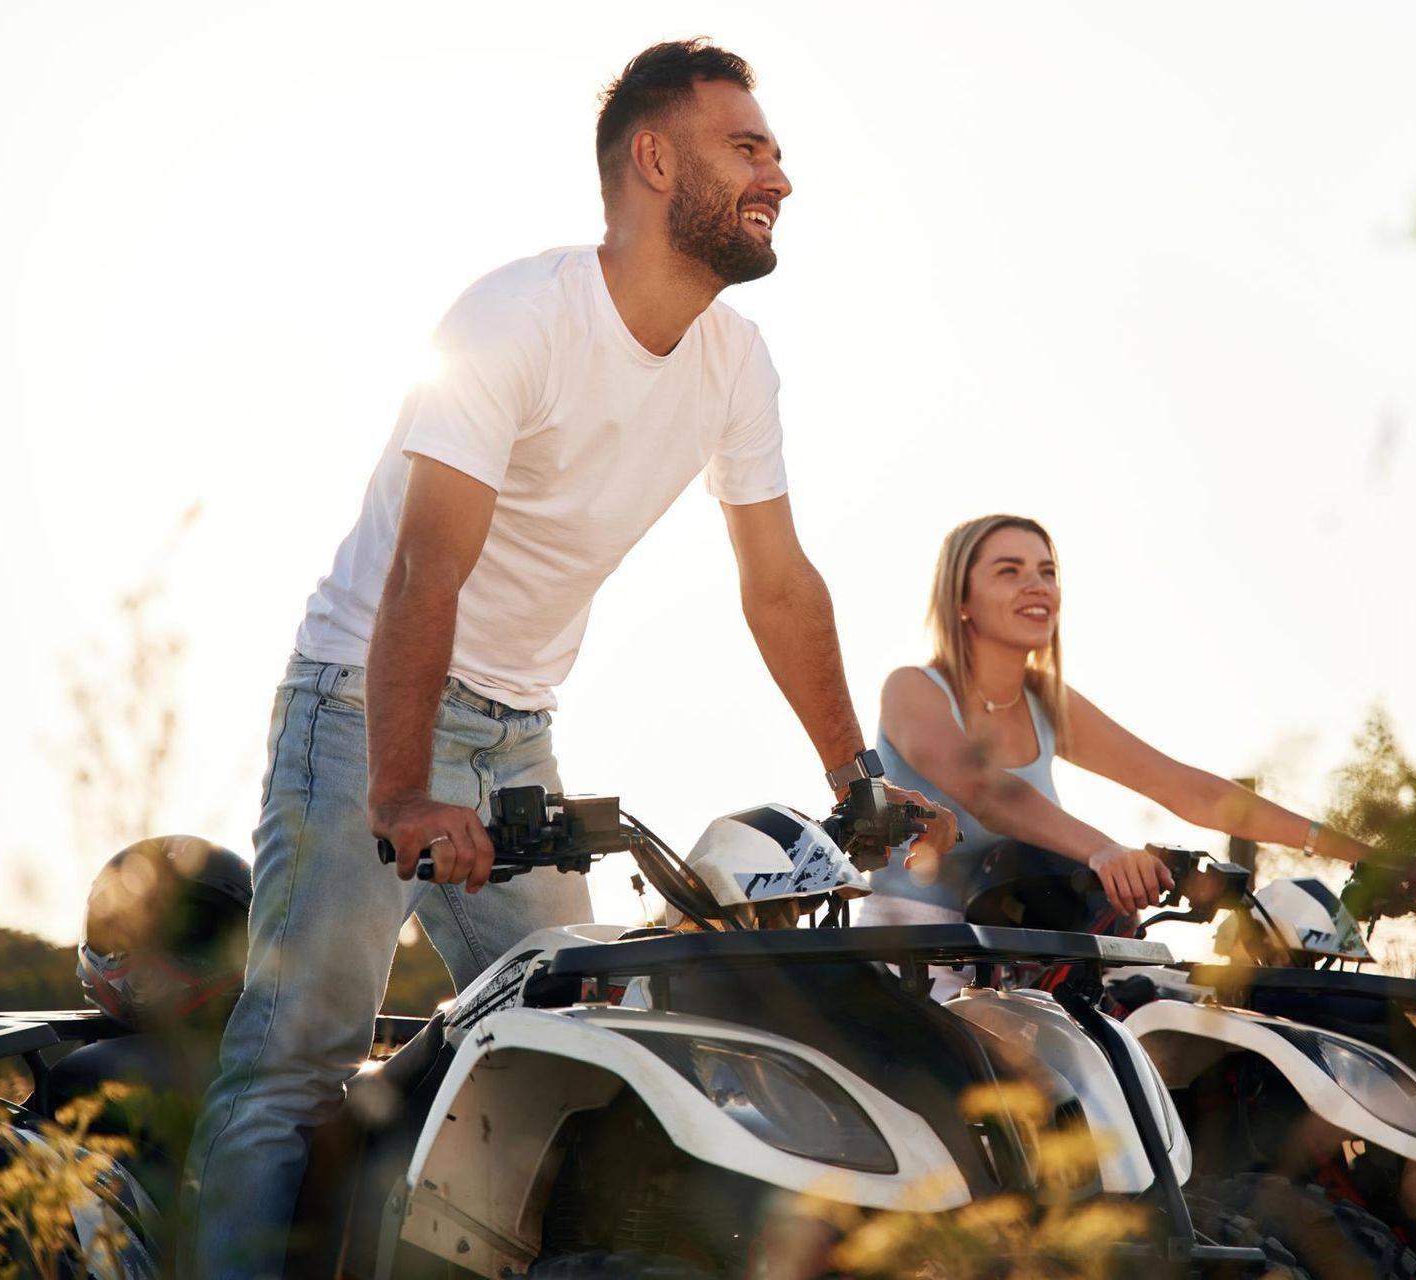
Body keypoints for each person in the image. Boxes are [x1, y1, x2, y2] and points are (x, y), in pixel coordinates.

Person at [185, 39, 940, 1278]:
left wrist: (854, 770)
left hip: (519, 732)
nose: (781, 176)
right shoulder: (516, 318)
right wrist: (399, 793)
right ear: (655, 160)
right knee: (298, 1054)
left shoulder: (732, 361)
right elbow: (429, 570)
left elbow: (780, 582)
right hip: (362, 709)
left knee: (586, 1037)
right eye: (748, 147)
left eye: (777, 149)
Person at [860, 514, 1416, 948]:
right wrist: (1104, 851)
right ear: (961, 599)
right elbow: (987, 794)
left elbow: (1188, 790)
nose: (1036, 586)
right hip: (913, 947)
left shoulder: (1048, 702)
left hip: (1028, 954)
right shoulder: (913, 689)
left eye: (1047, 572)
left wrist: (1358, 851)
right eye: (1009, 571)